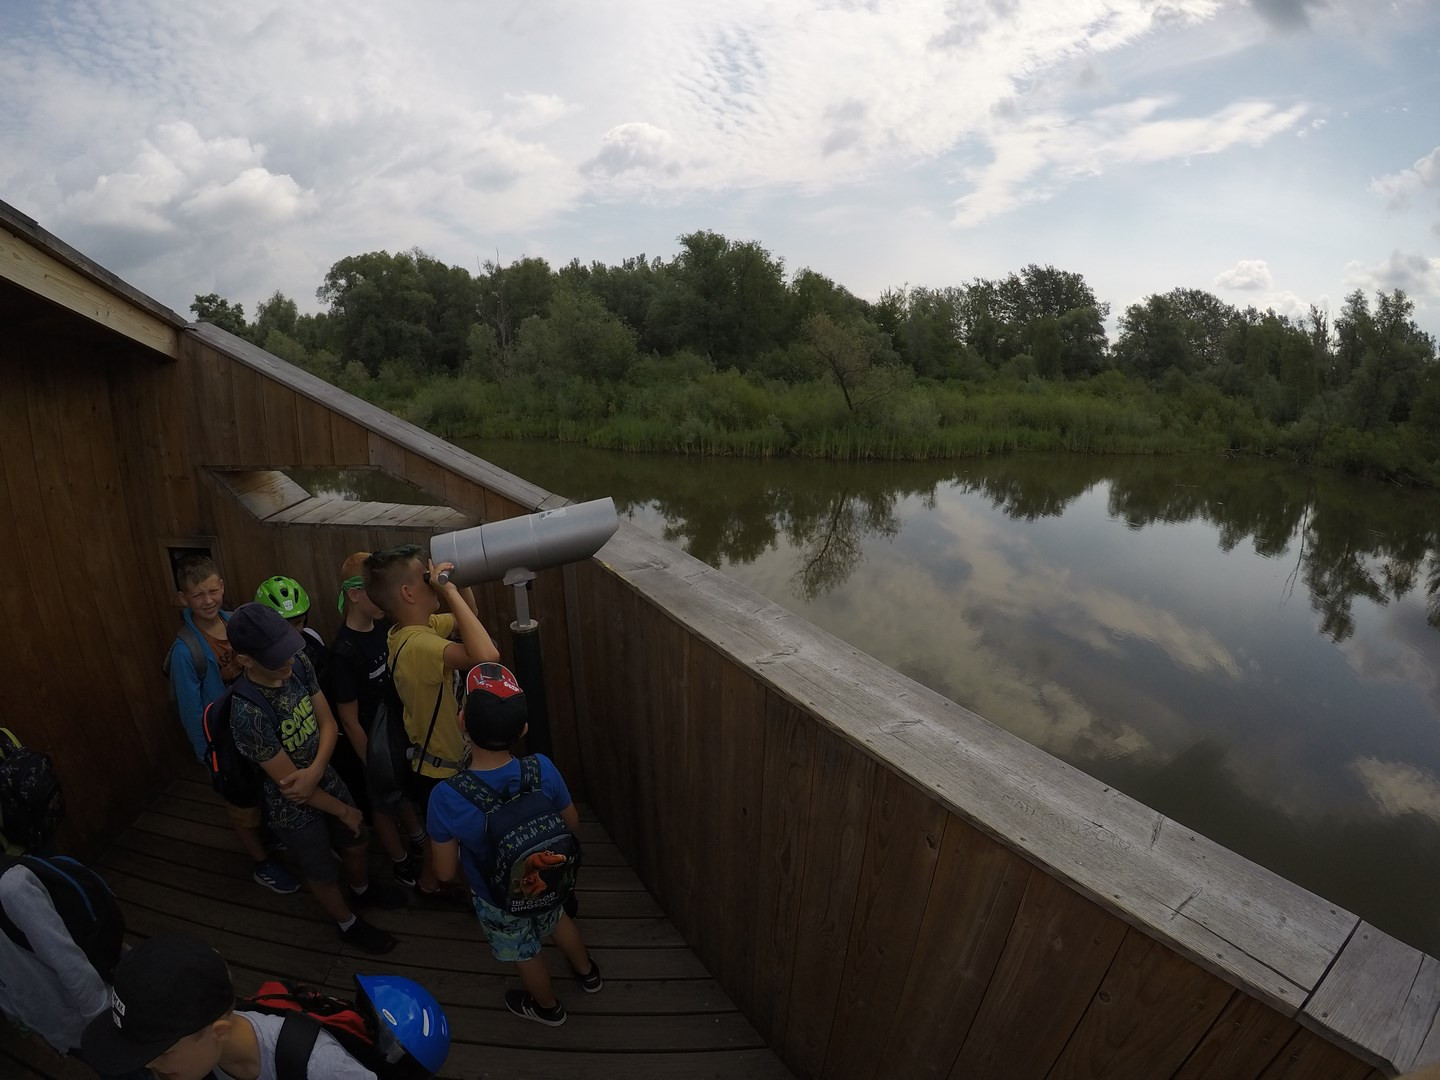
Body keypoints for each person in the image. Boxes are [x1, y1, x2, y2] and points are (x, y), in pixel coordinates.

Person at [427, 663, 601, 1026]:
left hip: (496, 897)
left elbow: (443, 871)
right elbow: (572, 823)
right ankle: (588, 973)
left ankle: (548, 1008)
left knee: (524, 950)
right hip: (549, 880)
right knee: (557, 919)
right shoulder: (541, 768)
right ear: (523, 729)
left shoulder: (446, 796)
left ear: (462, 721)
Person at [226, 603, 402, 954]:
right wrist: (342, 808)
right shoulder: (247, 713)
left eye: (288, 649)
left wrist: (316, 771)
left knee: (357, 840)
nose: (288, 661)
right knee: (320, 869)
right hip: (289, 805)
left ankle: (361, 890)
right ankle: (347, 923)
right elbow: (292, 788)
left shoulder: (298, 663)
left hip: (321, 774)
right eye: (276, 657)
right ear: (245, 660)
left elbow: (329, 723)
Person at [362, 546, 499, 900]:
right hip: (442, 771)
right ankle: (476, 897)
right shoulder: (418, 646)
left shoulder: (410, 630)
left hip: (434, 762)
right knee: (464, 842)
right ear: (408, 593)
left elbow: (470, 616)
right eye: (427, 578)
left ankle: (428, 884)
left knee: (446, 833)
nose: (434, 580)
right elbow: (486, 655)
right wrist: (448, 590)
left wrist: (459, 581)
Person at [80, 934, 389, 1080]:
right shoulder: (203, 1056)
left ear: (219, 1031)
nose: (149, 1065)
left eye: (162, 1052)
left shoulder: (322, 1067)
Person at [167, 555, 298, 896]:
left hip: (257, 726)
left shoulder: (237, 623)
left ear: (222, 586)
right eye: (198, 594)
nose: (208, 600)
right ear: (182, 598)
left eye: (213, 590)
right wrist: (210, 758)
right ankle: (262, 862)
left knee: (266, 787)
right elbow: (191, 712)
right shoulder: (185, 652)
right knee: (241, 805)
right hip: (225, 742)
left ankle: (272, 836)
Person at [330, 551, 427, 887]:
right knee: (383, 803)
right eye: (377, 589)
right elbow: (349, 720)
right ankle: (400, 860)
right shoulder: (344, 652)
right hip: (373, 744)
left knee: (401, 792)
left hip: (397, 730)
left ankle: (416, 836)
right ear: (356, 595)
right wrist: (372, 763)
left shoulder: (385, 626)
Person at [0, 861, 146, 1080]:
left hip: (104, 1019)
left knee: (148, 1066)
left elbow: (73, 966)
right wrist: (27, 1028)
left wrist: (107, 1026)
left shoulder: (13, 889)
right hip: (67, 1029)